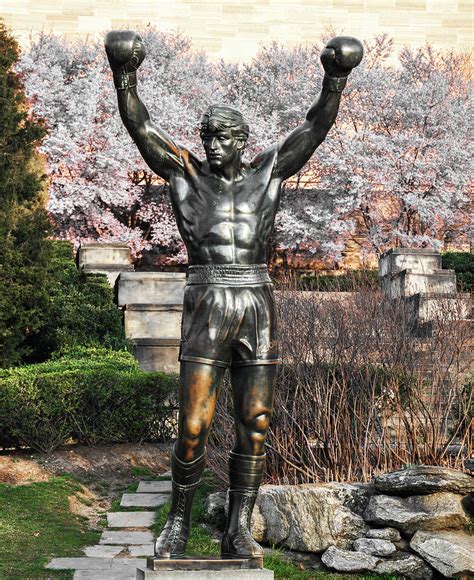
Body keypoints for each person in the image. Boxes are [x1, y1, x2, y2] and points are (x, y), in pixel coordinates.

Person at [105, 31, 363, 562]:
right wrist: (124, 74)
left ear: (240, 140)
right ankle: (177, 521)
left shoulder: (269, 171)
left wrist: (335, 78)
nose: (210, 144)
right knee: (194, 423)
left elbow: (315, 126)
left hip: (256, 298)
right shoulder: (184, 172)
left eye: (220, 137)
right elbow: (140, 124)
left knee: (257, 420)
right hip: (206, 296)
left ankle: (238, 528)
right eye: (206, 135)